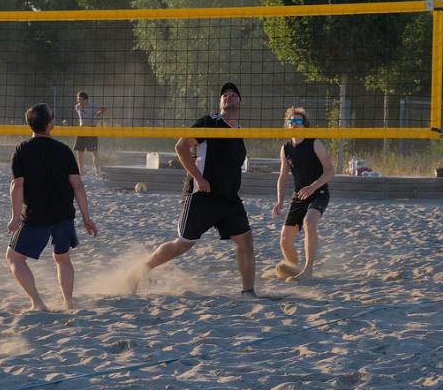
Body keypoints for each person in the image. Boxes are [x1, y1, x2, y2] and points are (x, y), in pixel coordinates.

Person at [130, 82, 256, 296]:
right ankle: (139, 272)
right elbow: (180, 146)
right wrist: (199, 178)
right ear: (220, 102)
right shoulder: (210, 122)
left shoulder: (239, 132)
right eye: (224, 95)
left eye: (233, 95)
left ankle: (248, 292)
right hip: (202, 196)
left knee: (245, 241)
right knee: (183, 244)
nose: (228, 97)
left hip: (229, 199)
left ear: (240, 102)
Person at [6, 103, 98, 311]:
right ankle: (68, 302)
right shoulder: (64, 150)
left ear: (29, 124)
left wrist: (14, 216)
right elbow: (77, 184)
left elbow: (17, 184)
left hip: (36, 214)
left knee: (14, 259)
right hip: (63, 214)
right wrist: (86, 217)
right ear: (51, 125)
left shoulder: (21, 150)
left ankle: (37, 303)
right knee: (62, 259)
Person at [271, 107, 335, 281]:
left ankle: (308, 270)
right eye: (291, 121)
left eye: (298, 121)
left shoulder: (315, 143)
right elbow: (283, 177)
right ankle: (294, 268)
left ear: (304, 124)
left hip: (318, 192)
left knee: (309, 222)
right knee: (285, 240)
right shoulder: (286, 149)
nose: (294, 124)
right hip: (299, 196)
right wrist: (279, 201)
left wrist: (313, 187)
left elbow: (330, 171)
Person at [73, 91, 106, 177]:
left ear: (86, 100)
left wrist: (96, 116)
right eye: (77, 99)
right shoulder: (77, 107)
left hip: (92, 130)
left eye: (80, 99)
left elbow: (103, 109)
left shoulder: (93, 106)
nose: (78, 101)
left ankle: (97, 171)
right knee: (79, 151)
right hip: (82, 130)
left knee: (94, 151)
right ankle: (81, 171)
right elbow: (82, 119)